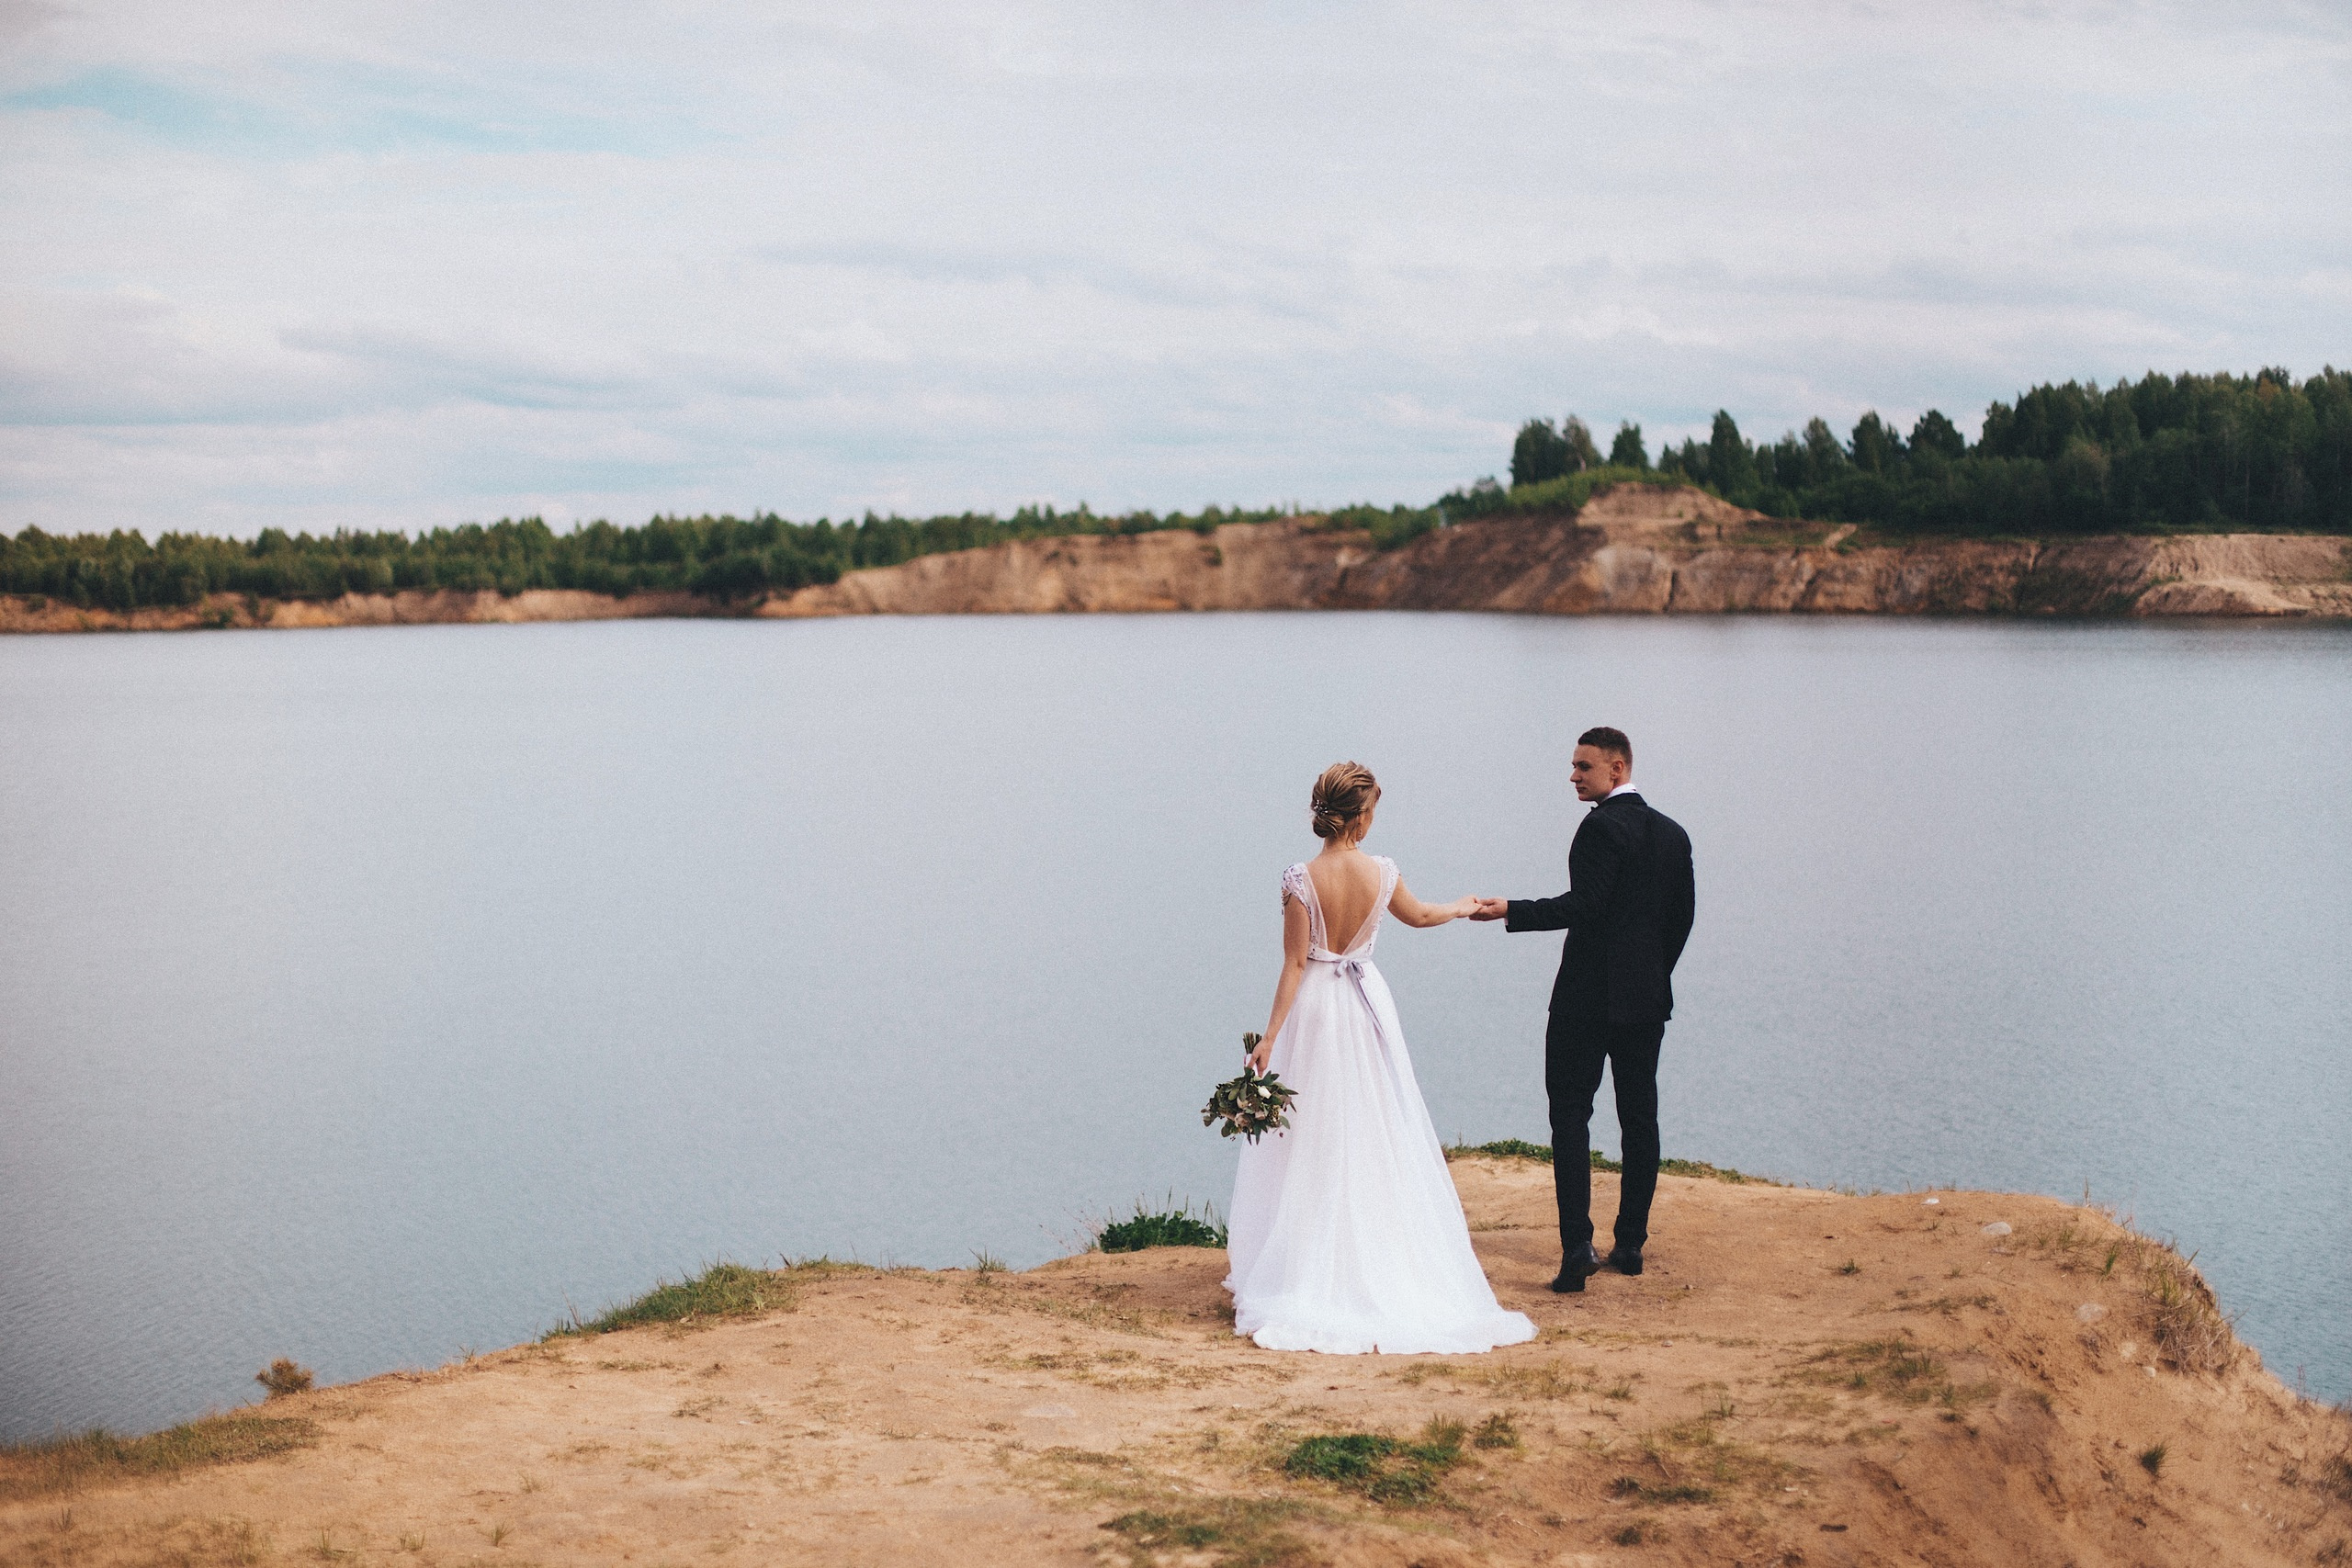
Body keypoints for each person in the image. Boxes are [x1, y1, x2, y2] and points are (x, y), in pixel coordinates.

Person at [1224, 761, 1538, 1354]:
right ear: (1360, 817)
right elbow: (1420, 917)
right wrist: (1463, 906)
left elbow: (1294, 964)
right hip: (1365, 1004)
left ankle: (1305, 1258)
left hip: (1315, 1010)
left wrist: (1269, 1037)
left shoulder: (1300, 878)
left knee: (1310, 1130)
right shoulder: (1383, 872)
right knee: (1370, 1122)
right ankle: (1372, 1247)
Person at [1470, 726, 1694, 1293]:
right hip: (1645, 1003)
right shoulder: (1674, 834)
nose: (1573, 776)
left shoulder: (1598, 828)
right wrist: (1652, 976)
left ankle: (1577, 1248)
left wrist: (1511, 909)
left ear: (1616, 769)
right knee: (1639, 1117)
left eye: (1583, 766)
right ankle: (1631, 1244)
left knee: (1570, 1116)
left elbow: (1584, 907)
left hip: (1584, 1001)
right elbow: (1680, 921)